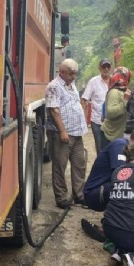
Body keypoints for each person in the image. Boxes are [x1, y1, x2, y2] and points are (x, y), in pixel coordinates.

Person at [46, 58, 88, 208]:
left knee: (79, 164)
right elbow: (54, 110)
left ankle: (79, 195)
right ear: (62, 72)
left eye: (75, 74)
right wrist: (63, 131)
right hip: (62, 134)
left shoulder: (72, 85)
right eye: (71, 74)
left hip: (77, 133)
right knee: (60, 166)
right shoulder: (54, 86)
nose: (74, 77)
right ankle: (61, 197)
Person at [83, 124, 134, 212]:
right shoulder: (120, 145)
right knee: (128, 188)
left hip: (108, 189)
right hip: (94, 194)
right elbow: (121, 178)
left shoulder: (132, 151)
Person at [81, 59, 112, 152]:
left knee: (113, 148)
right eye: (103, 66)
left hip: (112, 123)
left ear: (111, 68)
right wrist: (84, 120)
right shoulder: (93, 82)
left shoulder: (115, 81)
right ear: (99, 68)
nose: (106, 69)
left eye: (108, 66)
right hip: (97, 122)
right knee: (100, 149)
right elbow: (84, 100)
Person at [100, 66, 132, 149]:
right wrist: (125, 101)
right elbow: (110, 113)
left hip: (118, 135)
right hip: (110, 136)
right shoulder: (114, 92)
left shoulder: (124, 91)